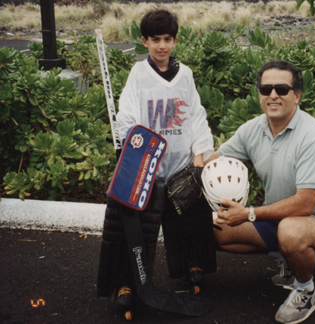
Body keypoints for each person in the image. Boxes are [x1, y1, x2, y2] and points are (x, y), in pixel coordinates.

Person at [205, 60, 315, 324]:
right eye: (266, 88)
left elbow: (305, 204)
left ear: (297, 96)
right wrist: (191, 159)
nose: (273, 95)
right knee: (216, 229)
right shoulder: (253, 129)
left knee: (291, 232)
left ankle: (305, 290)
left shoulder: (313, 136)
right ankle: (290, 261)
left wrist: (248, 214)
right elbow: (214, 159)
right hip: (277, 220)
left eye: (282, 89)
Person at [113, 9, 215, 307]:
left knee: (187, 220)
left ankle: (191, 265)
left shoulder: (185, 75)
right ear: (144, 41)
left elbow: (196, 115)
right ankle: (128, 281)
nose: (161, 46)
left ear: (175, 40)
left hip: (181, 162)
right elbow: (127, 117)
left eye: (167, 39)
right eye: (155, 39)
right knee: (138, 227)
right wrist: (134, 155)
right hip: (148, 166)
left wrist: (200, 153)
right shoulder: (138, 75)